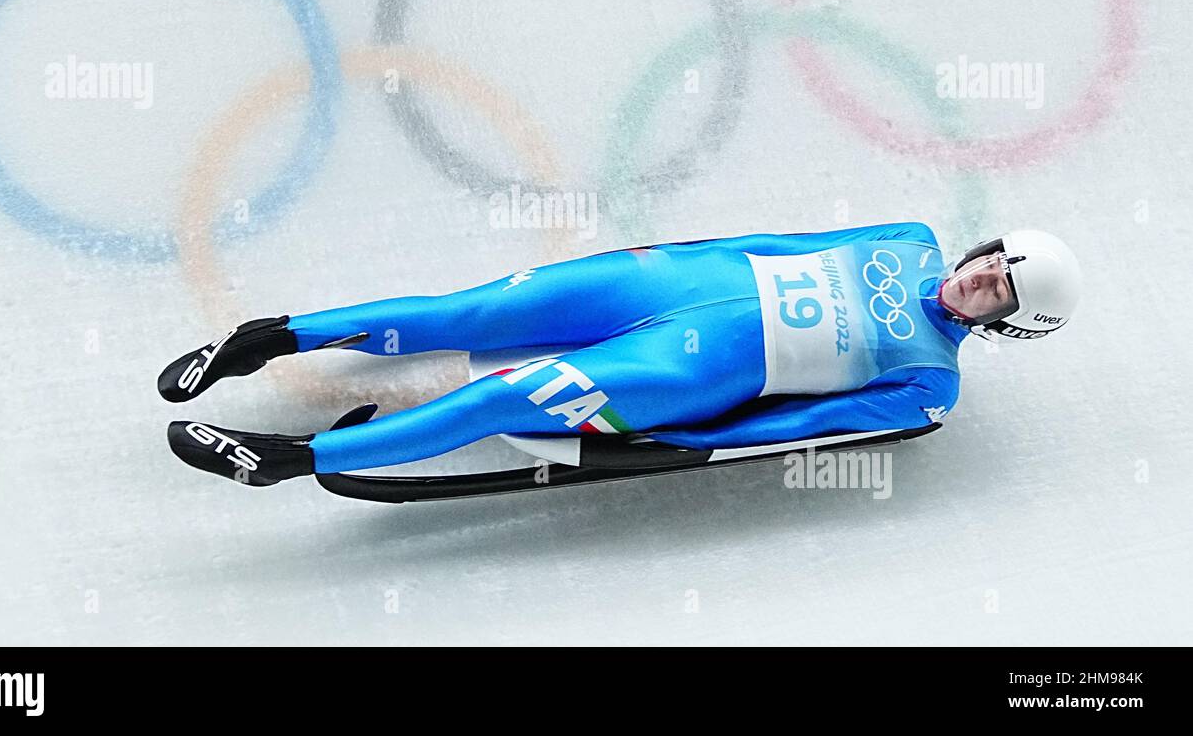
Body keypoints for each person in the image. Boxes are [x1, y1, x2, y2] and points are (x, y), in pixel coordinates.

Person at [159, 222, 1081, 486]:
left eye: (1002, 288)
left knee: (501, 397)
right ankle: (268, 338)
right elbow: (780, 239)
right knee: (468, 310)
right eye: (993, 259)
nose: (982, 277)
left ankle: (290, 459)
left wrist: (674, 445)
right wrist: (666, 254)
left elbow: (796, 427)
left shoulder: (929, 386)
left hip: (680, 377)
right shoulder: (909, 237)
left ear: (1008, 322)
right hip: (666, 282)